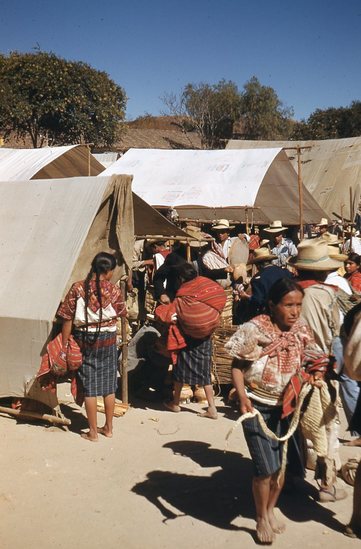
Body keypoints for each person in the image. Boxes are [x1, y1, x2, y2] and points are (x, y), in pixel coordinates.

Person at [225, 278, 321, 544]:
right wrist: (242, 396)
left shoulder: (301, 329)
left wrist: (315, 374)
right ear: (272, 305)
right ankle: (260, 517)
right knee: (264, 468)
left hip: (287, 407)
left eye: (299, 305)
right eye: (288, 305)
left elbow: (313, 358)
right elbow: (236, 366)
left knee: (280, 467)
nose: (294, 311)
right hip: (256, 406)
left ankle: (270, 510)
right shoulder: (254, 329)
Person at [289, 238, 347, 502]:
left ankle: (291, 476)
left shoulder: (286, 292)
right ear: (324, 270)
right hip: (320, 366)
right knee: (325, 425)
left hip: (289, 366)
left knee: (292, 421)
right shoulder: (329, 295)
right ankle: (326, 484)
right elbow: (339, 332)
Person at [57, 252, 127, 442]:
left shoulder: (78, 288)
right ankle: (109, 428)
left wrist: (64, 344)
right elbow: (122, 312)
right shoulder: (113, 290)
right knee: (109, 384)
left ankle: (93, 432)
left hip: (85, 339)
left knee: (89, 386)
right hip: (109, 339)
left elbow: (67, 318)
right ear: (109, 271)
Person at [163, 263, 226, 419]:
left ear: (181, 278)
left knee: (180, 369)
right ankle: (212, 408)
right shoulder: (206, 283)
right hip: (206, 336)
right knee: (205, 373)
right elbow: (221, 296)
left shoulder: (182, 294)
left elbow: (176, 312)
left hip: (187, 336)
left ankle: (176, 403)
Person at [236, 247, 292, 322]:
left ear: (258, 265)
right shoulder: (285, 272)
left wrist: (246, 297)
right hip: (289, 310)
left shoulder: (258, 279)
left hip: (272, 315)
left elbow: (258, 301)